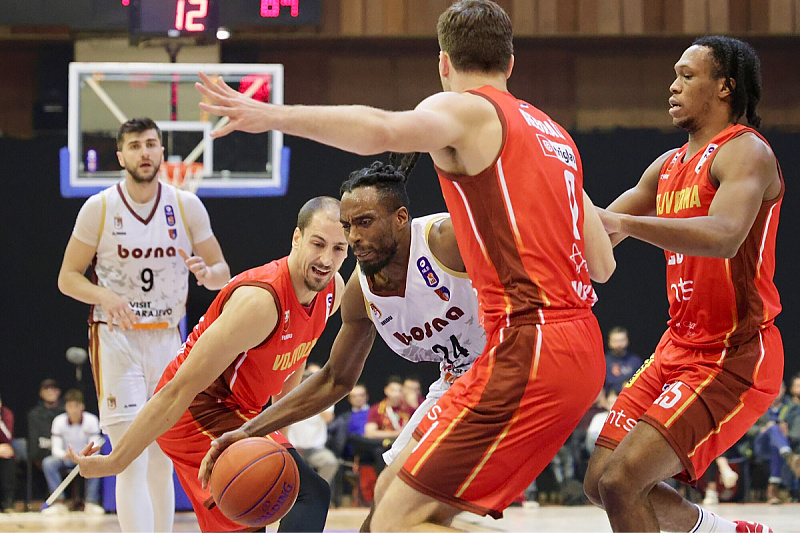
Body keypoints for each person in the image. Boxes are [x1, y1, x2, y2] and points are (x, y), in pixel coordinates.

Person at [195, 0, 618, 519]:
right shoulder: (558, 138)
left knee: (397, 522)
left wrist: (269, 115)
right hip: (579, 345)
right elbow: (601, 266)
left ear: (443, 63)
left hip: (526, 344)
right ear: (511, 62)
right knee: (392, 513)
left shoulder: (467, 110)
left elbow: (383, 129)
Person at [583, 36, 784, 533]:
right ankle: (719, 530)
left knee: (623, 482)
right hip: (677, 346)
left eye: (686, 75)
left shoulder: (746, 152)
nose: (672, 86)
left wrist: (625, 224)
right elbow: (595, 233)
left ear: (724, 86)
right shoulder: (667, 166)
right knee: (599, 482)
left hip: (734, 353)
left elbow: (722, 236)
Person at [66, 197, 348, 533]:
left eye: (338, 249)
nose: (326, 259)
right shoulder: (260, 303)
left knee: (284, 502)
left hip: (241, 414)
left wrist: (280, 438)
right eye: (318, 243)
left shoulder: (333, 290)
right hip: (196, 411)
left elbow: (295, 358)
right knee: (298, 496)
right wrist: (116, 460)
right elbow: (177, 389)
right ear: (297, 238)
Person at [57, 117, 230, 532]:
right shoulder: (98, 208)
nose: (145, 152)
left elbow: (223, 272)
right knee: (130, 457)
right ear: (121, 156)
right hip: (117, 340)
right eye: (135, 146)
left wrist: (207, 275)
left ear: (162, 151)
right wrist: (104, 295)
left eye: (151, 144)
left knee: (162, 455)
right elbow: (68, 278)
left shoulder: (186, 205)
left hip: (169, 340)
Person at [41, 389, 104, 516]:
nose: (74, 410)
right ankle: (58, 503)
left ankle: (91, 503)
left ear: (82, 406)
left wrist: (82, 456)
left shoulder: (91, 420)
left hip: (85, 458)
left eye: (77, 406)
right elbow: (55, 449)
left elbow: (96, 444)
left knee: (97, 459)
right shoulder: (58, 421)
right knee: (48, 463)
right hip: (66, 458)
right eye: (70, 406)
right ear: (66, 407)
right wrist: (66, 455)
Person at [286, 368, 339, 486]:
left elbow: (328, 418)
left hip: (315, 450)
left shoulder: (325, 397)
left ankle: (318, 491)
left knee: (330, 462)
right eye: (304, 381)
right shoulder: (291, 396)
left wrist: (313, 398)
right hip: (293, 449)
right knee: (283, 466)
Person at [27, 378, 65, 493]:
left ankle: (89, 501)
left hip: (65, 453)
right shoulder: (34, 414)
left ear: (58, 392)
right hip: (43, 453)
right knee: (48, 462)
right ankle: (58, 501)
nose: (49, 392)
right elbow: (33, 441)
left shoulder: (66, 412)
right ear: (40, 393)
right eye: (46, 389)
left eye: (53, 389)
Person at [604, 326, 643, 394]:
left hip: (631, 396)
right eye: (615, 341)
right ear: (609, 342)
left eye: (622, 340)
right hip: (609, 398)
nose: (619, 344)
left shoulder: (635, 361)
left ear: (627, 341)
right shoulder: (604, 361)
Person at [0, 393, 15, 513]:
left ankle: (7, 503)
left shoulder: (6, 414)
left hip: (3, 449)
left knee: (8, 454)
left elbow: (8, 438)